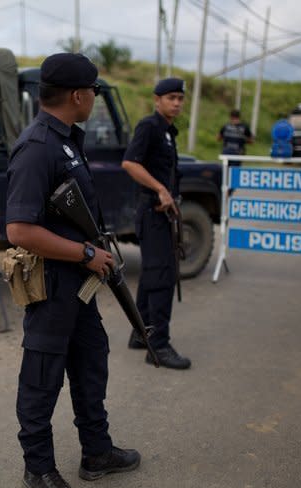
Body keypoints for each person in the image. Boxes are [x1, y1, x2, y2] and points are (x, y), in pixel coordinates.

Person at [6, 53, 141, 488]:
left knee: (90, 363)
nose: (96, 98)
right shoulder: (38, 147)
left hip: (79, 286)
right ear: (79, 95)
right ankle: (38, 468)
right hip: (52, 287)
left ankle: (97, 452)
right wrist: (86, 253)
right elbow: (19, 230)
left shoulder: (66, 141)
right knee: (42, 378)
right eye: (95, 91)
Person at [121, 77, 192, 370]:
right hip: (152, 212)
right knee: (162, 278)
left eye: (180, 98)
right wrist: (160, 189)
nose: (176, 103)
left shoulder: (167, 131)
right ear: (157, 100)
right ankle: (158, 346)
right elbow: (130, 163)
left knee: (152, 275)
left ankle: (141, 333)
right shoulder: (149, 126)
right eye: (171, 97)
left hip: (162, 214)